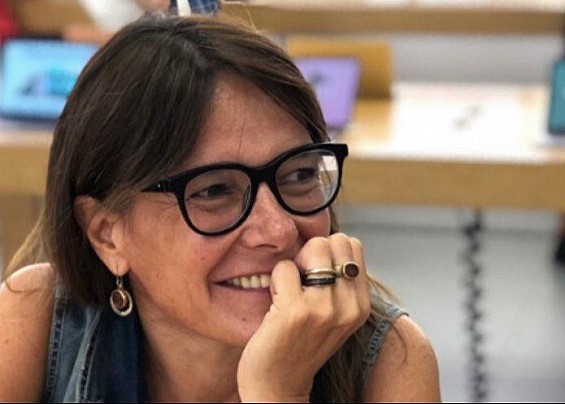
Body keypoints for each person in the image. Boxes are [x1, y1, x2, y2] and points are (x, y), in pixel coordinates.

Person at [0, 12, 440, 402]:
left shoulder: (391, 361)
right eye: (213, 191)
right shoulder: (33, 322)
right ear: (106, 233)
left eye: (299, 175)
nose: (279, 230)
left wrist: (277, 392)